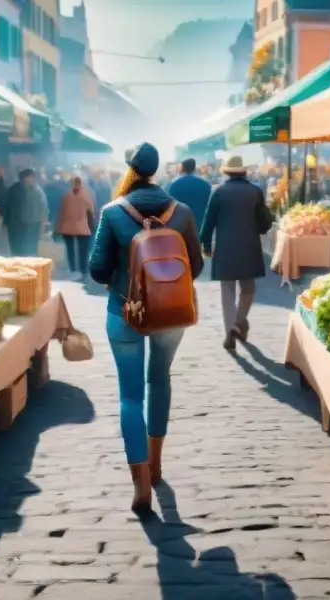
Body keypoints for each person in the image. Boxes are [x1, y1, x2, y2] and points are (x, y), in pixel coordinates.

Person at [88, 142, 204, 513]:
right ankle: (156, 466)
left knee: (129, 396)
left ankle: (140, 484)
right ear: (157, 171)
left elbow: (96, 268)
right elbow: (196, 266)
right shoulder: (181, 212)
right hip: (171, 313)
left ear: (130, 169)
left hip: (124, 310)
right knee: (160, 381)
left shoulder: (113, 211)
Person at [200, 155, 274, 349]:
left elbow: (209, 221)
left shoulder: (219, 192)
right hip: (249, 247)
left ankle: (230, 329)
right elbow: (263, 224)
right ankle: (240, 321)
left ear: (226, 172)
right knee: (248, 289)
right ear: (245, 171)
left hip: (225, 247)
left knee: (227, 290)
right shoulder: (255, 191)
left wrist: (206, 244)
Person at [55, 176, 94, 278]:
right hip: (82, 226)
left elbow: (61, 213)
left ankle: (73, 269)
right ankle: (83, 269)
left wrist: (57, 228)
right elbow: (91, 212)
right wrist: (92, 226)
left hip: (67, 226)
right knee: (83, 249)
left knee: (70, 249)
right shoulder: (86, 195)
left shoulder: (66, 195)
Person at [4, 169, 48, 257]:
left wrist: (43, 222)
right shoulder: (13, 190)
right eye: (25, 178)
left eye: (30, 178)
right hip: (16, 225)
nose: (27, 180)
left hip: (32, 224)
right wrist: (6, 222)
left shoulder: (38, 191)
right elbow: (6, 206)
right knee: (17, 249)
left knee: (30, 249)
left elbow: (43, 208)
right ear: (21, 178)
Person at [168, 158, 212, 231]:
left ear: (182, 168)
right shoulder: (206, 185)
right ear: (194, 168)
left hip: (179, 226)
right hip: (199, 225)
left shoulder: (173, 184)